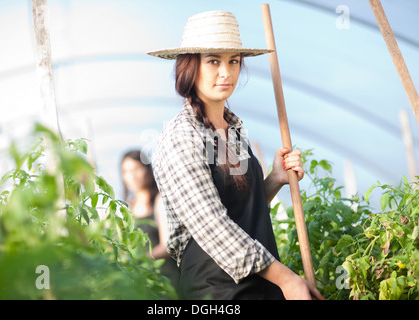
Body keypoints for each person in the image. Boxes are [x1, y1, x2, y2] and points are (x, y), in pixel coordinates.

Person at [147, 10, 322, 300]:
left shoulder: (233, 129)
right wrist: (289, 279)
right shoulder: (181, 138)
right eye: (214, 61)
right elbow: (213, 226)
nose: (226, 72)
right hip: (217, 292)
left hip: (262, 286)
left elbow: (240, 209)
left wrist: (275, 180)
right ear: (190, 66)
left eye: (234, 61)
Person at [120, 150, 179, 289]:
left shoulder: (160, 200)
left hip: (165, 280)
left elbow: (167, 246)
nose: (132, 176)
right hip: (141, 282)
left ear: (147, 169)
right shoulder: (127, 207)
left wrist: (137, 259)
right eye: (126, 171)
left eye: (136, 169)